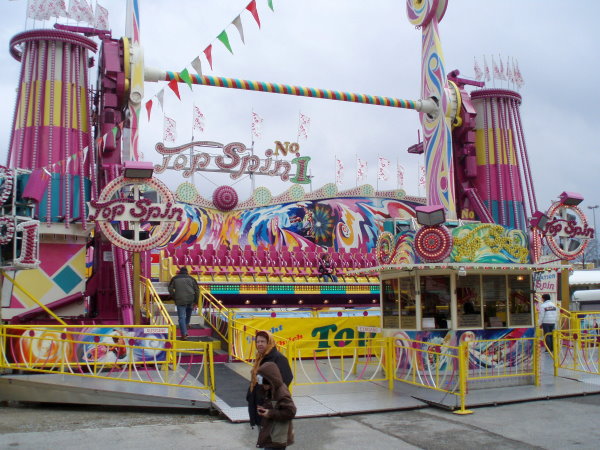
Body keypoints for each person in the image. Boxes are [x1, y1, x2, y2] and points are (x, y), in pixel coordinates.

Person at [247, 331, 293, 430]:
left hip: (271, 404)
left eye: (263, 341)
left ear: (269, 342)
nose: (259, 344)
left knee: (271, 434)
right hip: (259, 402)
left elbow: (287, 378)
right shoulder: (260, 357)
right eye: (257, 341)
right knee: (262, 433)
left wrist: (271, 395)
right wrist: (250, 396)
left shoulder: (278, 358)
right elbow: (256, 380)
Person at [255, 362, 296, 449]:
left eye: (265, 384)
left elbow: (290, 412)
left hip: (277, 437)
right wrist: (265, 409)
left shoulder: (281, 393)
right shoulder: (272, 390)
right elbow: (275, 405)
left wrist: (269, 413)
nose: (263, 386)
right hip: (272, 434)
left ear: (271, 381)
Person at [167, 266, 199, 340]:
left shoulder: (174, 278)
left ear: (179, 272)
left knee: (181, 317)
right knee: (188, 314)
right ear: (187, 272)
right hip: (190, 299)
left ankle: (184, 334)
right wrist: (196, 301)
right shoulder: (192, 279)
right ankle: (186, 324)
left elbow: (170, 288)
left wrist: (174, 296)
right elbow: (197, 290)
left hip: (180, 300)